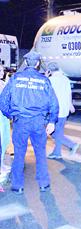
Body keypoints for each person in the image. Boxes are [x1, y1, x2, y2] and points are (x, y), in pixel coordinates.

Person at [0, 51, 59, 195]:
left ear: (26, 62)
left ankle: (17, 186)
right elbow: (53, 103)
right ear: (38, 64)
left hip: (20, 122)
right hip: (38, 123)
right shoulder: (44, 80)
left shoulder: (15, 78)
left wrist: (11, 115)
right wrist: (51, 121)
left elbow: (3, 101)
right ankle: (44, 184)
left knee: (19, 154)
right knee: (40, 153)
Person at [46, 62, 79, 159]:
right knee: (59, 131)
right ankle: (57, 152)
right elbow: (69, 93)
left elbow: (47, 96)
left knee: (52, 131)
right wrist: (70, 105)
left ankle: (72, 145)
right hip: (64, 110)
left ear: (49, 70)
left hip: (55, 110)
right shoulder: (65, 79)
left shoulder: (50, 80)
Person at [0, 64, 11, 182]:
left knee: (5, 140)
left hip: (4, 117)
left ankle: (2, 163)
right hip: (0, 117)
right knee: (1, 141)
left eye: (2, 70)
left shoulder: (2, 83)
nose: (2, 72)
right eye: (0, 70)